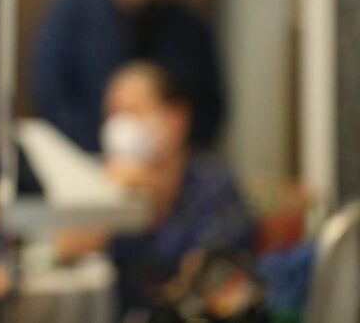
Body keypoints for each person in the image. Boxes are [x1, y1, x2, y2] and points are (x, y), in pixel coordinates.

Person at [55, 63, 255, 316]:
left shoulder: (213, 184)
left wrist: (156, 191)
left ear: (177, 118)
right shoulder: (106, 181)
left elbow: (211, 276)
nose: (120, 125)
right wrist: (112, 196)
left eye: (133, 111)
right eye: (112, 114)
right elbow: (67, 246)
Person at [32, 0, 225, 153]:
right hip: (82, 152)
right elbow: (51, 93)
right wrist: (104, 145)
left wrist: (165, 144)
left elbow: (209, 107)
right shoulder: (75, 11)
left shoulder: (190, 28)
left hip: (169, 158)